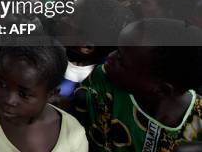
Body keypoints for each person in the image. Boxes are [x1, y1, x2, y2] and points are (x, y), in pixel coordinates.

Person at [76, 19, 202, 151]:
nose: (110, 57)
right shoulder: (104, 84)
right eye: (117, 50)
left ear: (162, 89)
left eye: (121, 60)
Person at [0, 41, 88, 152]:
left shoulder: (73, 135)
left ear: (50, 94)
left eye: (23, 94)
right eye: (2, 84)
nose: (9, 100)